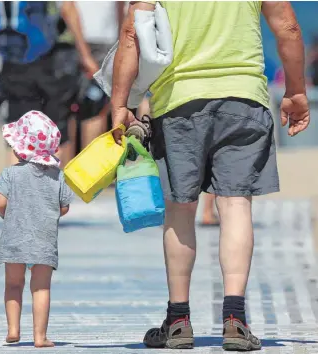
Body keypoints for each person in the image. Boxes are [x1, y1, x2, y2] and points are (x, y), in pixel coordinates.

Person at [111, 1, 310, 351]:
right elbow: (289, 28)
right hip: (244, 98)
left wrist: (119, 104)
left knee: (181, 207)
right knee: (235, 205)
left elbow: (132, 32)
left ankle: (178, 320)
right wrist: (296, 91)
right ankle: (235, 320)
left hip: (179, 101)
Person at [0, 1, 99, 167]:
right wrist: (85, 55)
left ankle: (18, 190)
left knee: (19, 137)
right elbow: (68, 8)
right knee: (57, 132)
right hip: (49, 62)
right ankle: (56, 189)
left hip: (12, 62)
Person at [0, 110, 74, 347]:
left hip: (14, 238)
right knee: (40, 288)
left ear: (19, 148)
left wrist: (9, 216)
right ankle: (40, 337)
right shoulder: (58, 177)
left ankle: (13, 329)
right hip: (44, 239)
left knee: (13, 285)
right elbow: (64, 208)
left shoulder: (10, 174)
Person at [72, 1, 126, 149]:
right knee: (94, 110)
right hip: (98, 40)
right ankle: (91, 167)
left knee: (89, 109)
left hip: (82, 39)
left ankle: (84, 166)